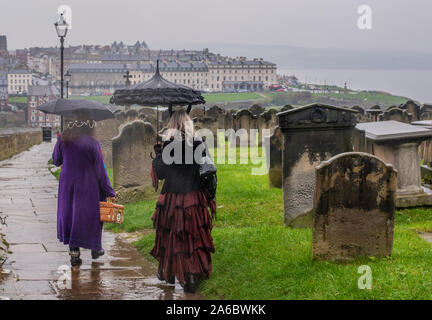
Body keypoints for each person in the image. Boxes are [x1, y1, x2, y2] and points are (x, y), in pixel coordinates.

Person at [151, 108, 216, 293]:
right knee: (192, 236)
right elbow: (208, 170)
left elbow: (161, 174)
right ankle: (192, 276)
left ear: (172, 124)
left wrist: (158, 154)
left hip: (172, 197)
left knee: (173, 237)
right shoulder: (198, 143)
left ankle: (174, 272)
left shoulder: (168, 144)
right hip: (193, 197)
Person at [52, 112, 115, 267]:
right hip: (88, 185)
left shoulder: (64, 139)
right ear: (89, 125)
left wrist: (62, 145)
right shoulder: (92, 143)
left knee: (70, 216)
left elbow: (56, 160)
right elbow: (100, 170)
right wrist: (109, 191)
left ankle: (74, 254)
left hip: (67, 184)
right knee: (90, 216)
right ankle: (95, 249)